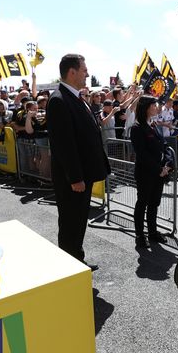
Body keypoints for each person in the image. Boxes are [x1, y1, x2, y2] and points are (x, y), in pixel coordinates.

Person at [46, 54, 111, 271]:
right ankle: (68, 267)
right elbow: (64, 145)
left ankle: (77, 261)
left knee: (79, 221)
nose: (88, 73)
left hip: (84, 174)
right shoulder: (58, 100)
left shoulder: (75, 97)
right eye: (84, 70)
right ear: (72, 72)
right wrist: (75, 178)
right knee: (70, 223)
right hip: (74, 179)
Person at [129, 96, 172, 248]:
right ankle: (140, 235)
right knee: (142, 203)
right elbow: (142, 154)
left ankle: (153, 232)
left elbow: (164, 146)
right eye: (154, 105)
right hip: (145, 173)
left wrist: (167, 164)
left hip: (159, 172)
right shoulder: (136, 128)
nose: (156, 107)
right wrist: (159, 169)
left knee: (154, 203)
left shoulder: (153, 125)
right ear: (145, 107)